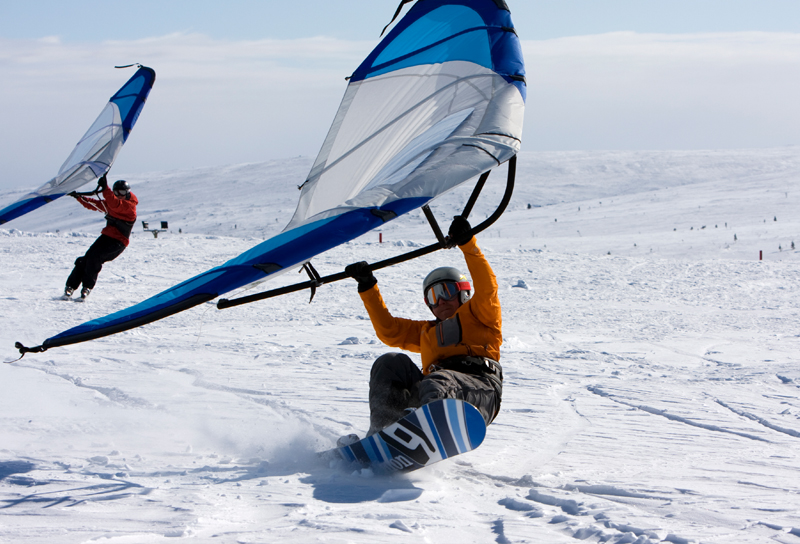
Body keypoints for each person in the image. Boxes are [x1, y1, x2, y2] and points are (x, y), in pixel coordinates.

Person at [342, 215, 503, 443]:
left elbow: (487, 288)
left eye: (446, 291)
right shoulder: (428, 332)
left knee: (438, 381)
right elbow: (389, 331)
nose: (440, 301)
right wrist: (368, 286)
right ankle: (382, 434)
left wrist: (468, 244)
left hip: (479, 391)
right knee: (390, 362)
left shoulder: (481, 315)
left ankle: (420, 429)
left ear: (463, 293)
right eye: (433, 297)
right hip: (435, 394)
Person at [63, 174, 138, 300]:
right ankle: (70, 286)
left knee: (95, 258)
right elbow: (94, 204)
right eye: (117, 192)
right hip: (106, 237)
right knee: (85, 259)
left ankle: (87, 287)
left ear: (128, 193)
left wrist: (105, 188)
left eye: (123, 192)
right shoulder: (112, 203)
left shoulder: (129, 207)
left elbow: (115, 204)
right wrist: (78, 197)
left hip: (118, 242)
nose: (120, 194)